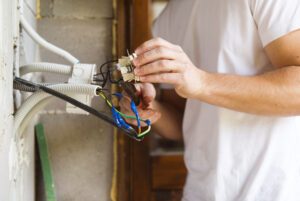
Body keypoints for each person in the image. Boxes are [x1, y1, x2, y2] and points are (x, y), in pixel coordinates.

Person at [120, 0, 300, 200]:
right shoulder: (171, 15)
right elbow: (185, 119)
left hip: (274, 192)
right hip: (201, 193)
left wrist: (202, 82)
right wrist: (148, 110)